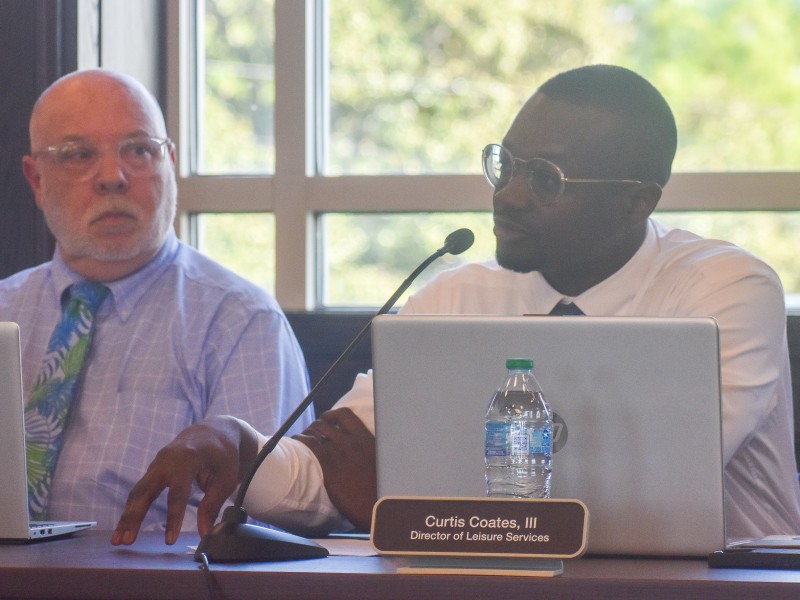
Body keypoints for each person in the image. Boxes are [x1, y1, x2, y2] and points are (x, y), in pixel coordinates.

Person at [112, 64, 800, 546]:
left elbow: (652, 485)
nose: (509, 194)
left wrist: (416, 495)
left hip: (716, 584)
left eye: (545, 178)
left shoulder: (724, 290)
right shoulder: (457, 294)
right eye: (507, 163)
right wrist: (244, 447)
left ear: (637, 199)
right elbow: (337, 468)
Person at [0, 69, 312, 532]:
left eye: (139, 150)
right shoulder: (6, 310)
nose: (113, 177)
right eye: (78, 155)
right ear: (36, 180)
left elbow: (258, 533)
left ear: (169, 161)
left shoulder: (240, 323)